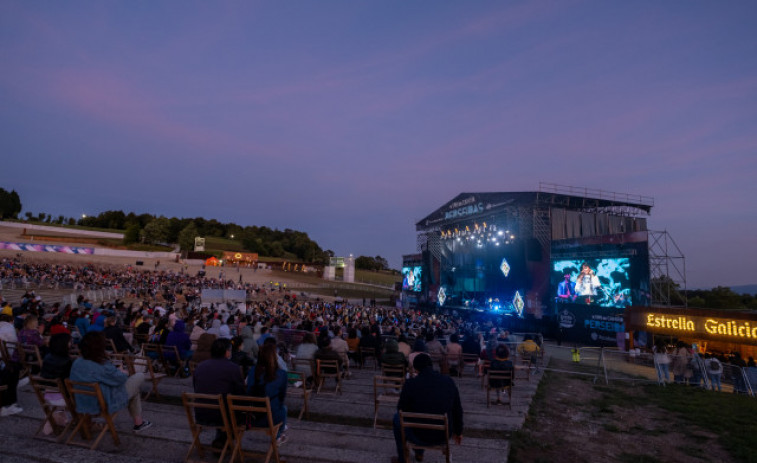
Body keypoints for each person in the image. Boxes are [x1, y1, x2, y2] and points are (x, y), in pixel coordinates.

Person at [69, 332, 152, 432]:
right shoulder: (101, 364)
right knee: (139, 376)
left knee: (134, 388)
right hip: (103, 402)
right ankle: (139, 423)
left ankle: (139, 423)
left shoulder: (77, 362)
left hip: (83, 402)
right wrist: (122, 371)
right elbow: (121, 379)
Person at [392, 353, 463, 463]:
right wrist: (458, 432)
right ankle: (418, 454)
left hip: (418, 435)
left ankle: (405, 458)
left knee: (397, 418)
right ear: (431, 365)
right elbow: (457, 409)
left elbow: (401, 409)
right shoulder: (448, 381)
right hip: (443, 435)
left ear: (416, 370)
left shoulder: (410, 384)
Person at [193, 338, 245, 449]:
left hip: (201, 413)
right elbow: (240, 394)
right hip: (221, 415)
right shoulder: (233, 368)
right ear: (227, 352)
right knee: (235, 410)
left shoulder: (200, 366)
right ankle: (223, 440)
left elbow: (196, 387)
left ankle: (221, 439)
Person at [246, 344, 288, 445]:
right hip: (269, 418)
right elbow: (282, 397)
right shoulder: (281, 374)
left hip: (250, 417)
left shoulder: (252, 371)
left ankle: (280, 431)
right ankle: (278, 435)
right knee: (283, 409)